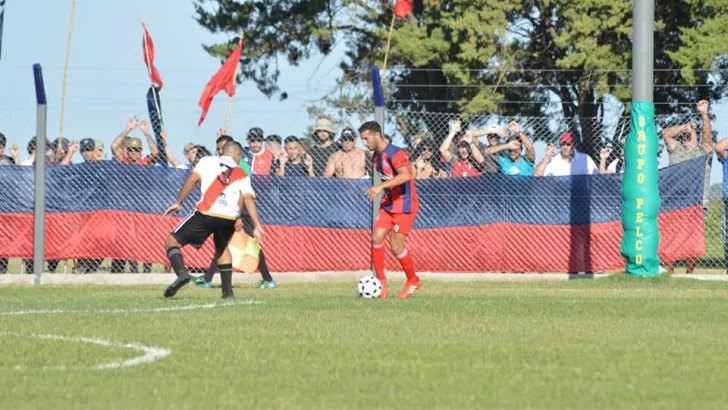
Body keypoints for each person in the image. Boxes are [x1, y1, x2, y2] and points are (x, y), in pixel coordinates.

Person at [162, 141, 264, 299]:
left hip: (206, 212)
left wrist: (178, 202)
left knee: (171, 241)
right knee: (222, 249)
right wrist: (256, 225)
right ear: (237, 155)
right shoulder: (241, 172)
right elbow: (247, 198)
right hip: (228, 217)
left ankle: (182, 274)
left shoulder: (207, 161)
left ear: (223, 151)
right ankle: (228, 294)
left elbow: (192, 180)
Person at [358, 121, 421, 299]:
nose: (364, 143)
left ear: (376, 135)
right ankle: (380, 283)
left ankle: (413, 279)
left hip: (405, 205)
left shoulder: (395, 153)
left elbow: (405, 176)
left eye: (366, 138)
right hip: (388, 204)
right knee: (376, 237)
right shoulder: (376, 156)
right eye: (362, 139)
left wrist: (379, 187)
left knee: (396, 245)